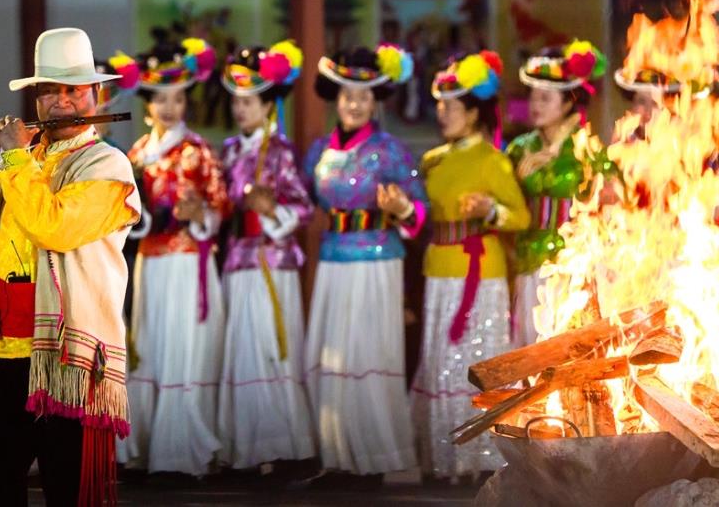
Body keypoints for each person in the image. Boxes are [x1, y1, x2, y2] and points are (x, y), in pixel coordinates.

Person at [0, 27, 141, 506]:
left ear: (95, 94)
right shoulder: (21, 160)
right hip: (4, 350)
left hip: (67, 356)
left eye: (73, 90)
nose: (61, 101)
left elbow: (52, 225)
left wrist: (11, 159)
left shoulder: (107, 166)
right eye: (49, 89)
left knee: (69, 491)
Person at [301, 44, 426, 487]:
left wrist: (404, 208)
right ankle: (335, 456)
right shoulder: (318, 151)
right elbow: (305, 201)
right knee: (331, 355)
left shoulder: (390, 151)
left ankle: (379, 457)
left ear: (375, 102)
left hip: (376, 260)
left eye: (363, 95)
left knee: (370, 354)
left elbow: (420, 211)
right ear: (336, 98)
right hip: (333, 259)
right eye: (347, 94)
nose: (354, 103)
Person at [410, 50, 530, 481]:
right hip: (438, 269)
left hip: (480, 274)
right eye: (440, 107)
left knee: (475, 362)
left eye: (452, 107)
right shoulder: (433, 160)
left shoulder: (493, 161)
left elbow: (521, 217)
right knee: (440, 360)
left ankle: (481, 459)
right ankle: (444, 459)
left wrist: (490, 208)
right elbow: (421, 215)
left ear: (475, 113)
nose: (443, 114)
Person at [116, 40, 232, 478]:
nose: (170, 106)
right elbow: (126, 215)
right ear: (147, 105)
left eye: (178, 98)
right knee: (151, 349)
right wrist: (144, 220)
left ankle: (181, 453)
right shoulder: (135, 156)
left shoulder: (198, 152)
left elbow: (221, 208)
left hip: (187, 265)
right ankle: (146, 447)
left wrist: (199, 212)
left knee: (184, 350)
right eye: (161, 98)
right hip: (151, 262)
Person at [217, 41, 316, 476]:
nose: (241, 110)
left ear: (268, 105)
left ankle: (285, 449)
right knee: (242, 353)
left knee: (274, 354)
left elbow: (304, 208)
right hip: (237, 260)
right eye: (237, 101)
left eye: (249, 101)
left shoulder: (279, 151)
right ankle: (246, 450)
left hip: (271, 261)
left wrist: (271, 209)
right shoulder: (228, 151)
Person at [507, 40, 614, 345]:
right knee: (528, 343)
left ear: (568, 102)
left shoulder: (586, 149)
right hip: (528, 260)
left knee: (565, 347)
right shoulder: (520, 148)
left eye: (545, 98)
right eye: (533, 96)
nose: (535, 105)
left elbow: (613, 197)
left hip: (572, 265)